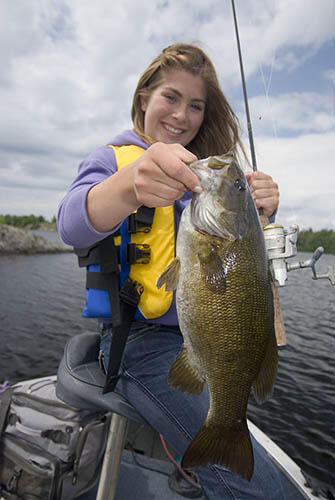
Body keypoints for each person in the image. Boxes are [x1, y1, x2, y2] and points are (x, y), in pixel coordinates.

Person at [57, 43, 283, 499]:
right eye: (171, 97)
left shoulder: (199, 181)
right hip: (137, 342)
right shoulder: (113, 160)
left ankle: (211, 440)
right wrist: (126, 186)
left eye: (196, 105)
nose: (183, 115)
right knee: (253, 486)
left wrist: (263, 213)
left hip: (201, 341)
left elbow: (238, 263)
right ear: (143, 97)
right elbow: (71, 225)